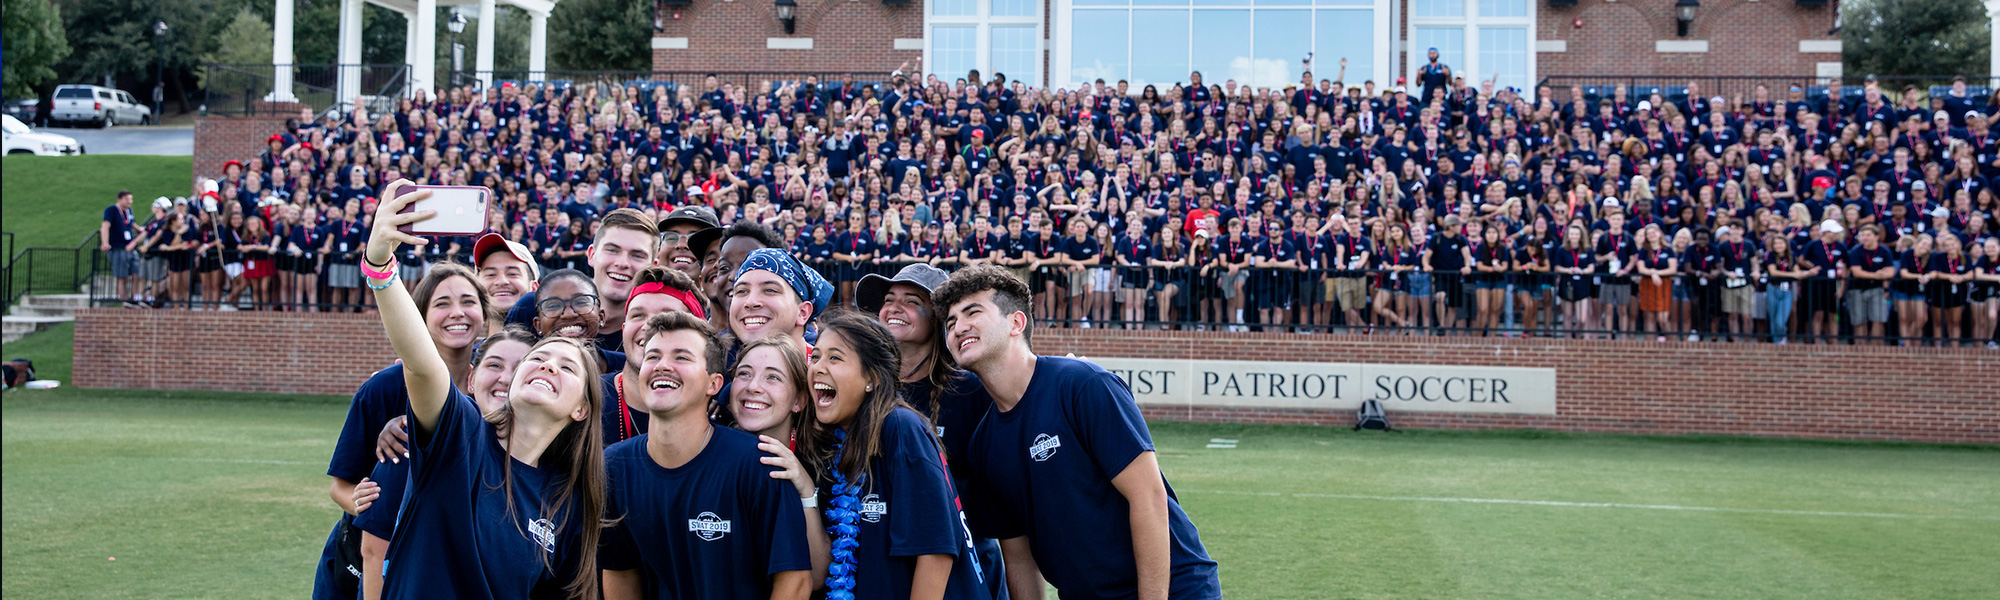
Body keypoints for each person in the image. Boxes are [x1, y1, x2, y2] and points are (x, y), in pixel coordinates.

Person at [363, 180, 607, 600]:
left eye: (567, 366)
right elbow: (423, 366)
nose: (548, 363)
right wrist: (380, 265)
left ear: (581, 409)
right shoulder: (462, 435)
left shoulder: (567, 502)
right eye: (539, 358)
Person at [932, 266, 1221, 600]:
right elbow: (1019, 556)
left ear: (1016, 323)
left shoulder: (1083, 385)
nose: (958, 328)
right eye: (950, 323)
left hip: (1173, 588)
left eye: (972, 312)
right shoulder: (983, 444)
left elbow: (1149, 497)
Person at [599, 311, 815, 600]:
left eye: (681, 357)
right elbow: (621, 574)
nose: (662, 366)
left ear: (713, 384)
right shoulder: (614, 466)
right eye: (652, 357)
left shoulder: (760, 463)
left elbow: (795, 582)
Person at [312, 261, 491, 600]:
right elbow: (340, 486)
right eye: (442, 304)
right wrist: (364, 504)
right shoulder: (383, 388)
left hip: (439, 565)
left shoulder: (494, 383)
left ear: (484, 313)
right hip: (363, 563)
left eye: (468, 302)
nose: (458, 313)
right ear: (419, 316)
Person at [803, 311, 993, 600]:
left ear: (873, 378)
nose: (818, 367)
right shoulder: (839, 439)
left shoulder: (900, 428)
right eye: (815, 357)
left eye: (835, 358)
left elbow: (935, 553)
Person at [348, 326, 538, 600]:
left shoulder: (546, 474)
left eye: (521, 367)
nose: (505, 378)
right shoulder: (407, 443)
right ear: (471, 379)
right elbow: (374, 552)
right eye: (494, 365)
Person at [857, 263, 1009, 599]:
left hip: (961, 567)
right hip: (879, 564)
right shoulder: (862, 387)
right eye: (888, 299)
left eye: (911, 301)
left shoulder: (970, 391)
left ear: (938, 319)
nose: (894, 308)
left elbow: (1003, 499)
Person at [507, 208, 659, 352]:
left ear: (653, 266)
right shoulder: (532, 307)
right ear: (592, 255)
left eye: (637, 255)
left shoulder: (655, 330)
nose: (622, 263)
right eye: (612, 250)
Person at [730, 248, 833, 353]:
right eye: (742, 291)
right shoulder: (722, 365)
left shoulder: (831, 368)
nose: (751, 302)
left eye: (770, 290)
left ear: (803, 312)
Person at [474, 233, 541, 331]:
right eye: (491, 274)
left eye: (512, 274)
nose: (501, 281)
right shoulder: (467, 346)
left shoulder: (554, 346)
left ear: (534, 287)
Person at [1844, 225, 1895, 344]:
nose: (1864, 238)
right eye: (1862, 235)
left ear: (1876, 237)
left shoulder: (1884, 251)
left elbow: (1891, 271)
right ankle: (1861, 350)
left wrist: (1883, 275)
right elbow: (1857, 272)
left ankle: (1875, 349)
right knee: (1859, 321)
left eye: (1868, 235)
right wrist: (1877, 275)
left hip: (1877, 289)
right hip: (1857, 290)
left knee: (1878, 319)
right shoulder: (1855, 251)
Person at [1799, 220, 1848, 343]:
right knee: (1818, 313)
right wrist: (1812, 267)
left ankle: (1834, 343)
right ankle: (1816, 342)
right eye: (1833, 232)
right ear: (1826, 232)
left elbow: (1845, 267)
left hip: (1833, 284)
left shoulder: (1840, 246)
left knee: (1832, 314)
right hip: (1817, 284)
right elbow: (1801, 259)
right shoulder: (1813, 244)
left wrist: (1842, 288)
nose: (1836, 234)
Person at [1552, 220, 1597, 339]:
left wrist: (1582, 271)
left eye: (1576, 234)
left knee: (1582, 318)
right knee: (1567, 315)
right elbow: (1557, 267)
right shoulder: (1562, 250)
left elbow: (1591, 267)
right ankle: (1567, 340)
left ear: (1581, 235)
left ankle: (1577, 336)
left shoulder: (1587, 250)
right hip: (1567, 283)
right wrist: (1568, 270)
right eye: (1571, 234)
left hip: (1582, 284)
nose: (1574, 236)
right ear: (1568, 235)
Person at [101, 190, 142, 306]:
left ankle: (135, 298)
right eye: (127, 199)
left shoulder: (129, 211)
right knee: (122, 276)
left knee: (136, 272)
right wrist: (105, 242)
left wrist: (139, 229)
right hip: (117, 248)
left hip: (130, 247)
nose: (130, 202)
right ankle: (124, 300)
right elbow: (105, 226)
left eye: (131, 199)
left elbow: (131, 223)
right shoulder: (112, 210)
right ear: (119, 199)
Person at [657, 205, 722, 278]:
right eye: (672, 238)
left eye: (695, 240)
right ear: (658, 252)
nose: (681, 245)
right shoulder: (643, 288)